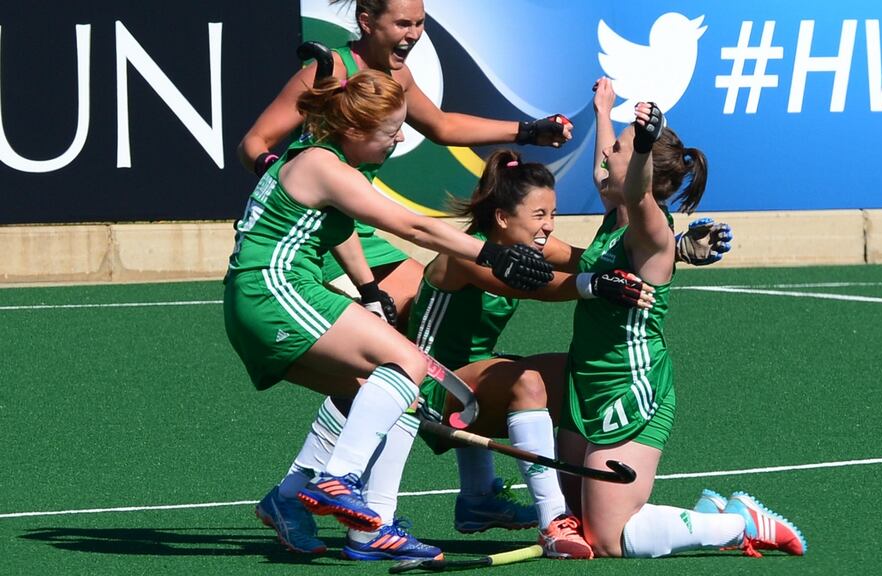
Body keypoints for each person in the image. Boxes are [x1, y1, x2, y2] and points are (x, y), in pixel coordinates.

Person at [224, 68, 554, 559]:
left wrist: (370, 291)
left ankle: (356, 522)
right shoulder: (324, 166)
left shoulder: (334, 161)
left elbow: (338, 229)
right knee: (409, 363)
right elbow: (413, 227)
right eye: (391, 130)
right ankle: (339, 478)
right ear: (353, 129)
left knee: (393, 396)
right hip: (274, 290)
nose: (400, 138)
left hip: (262, 298)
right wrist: (491, 254)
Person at [553, 77, 807, 559]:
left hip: (630, 387)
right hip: (587, 381)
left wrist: (641, 145)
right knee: (581, 520)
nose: (607, 153)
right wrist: (604, 110)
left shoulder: (649, 230)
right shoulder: (616, 213)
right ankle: (709, 511)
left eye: (619, 150)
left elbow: (637, 192)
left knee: (607, 540)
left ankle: (737, 523)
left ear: (642, 171)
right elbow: (610, 176)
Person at [238, 0, 573, 327]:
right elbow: (253, 144)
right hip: (311, 233)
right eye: (402, 24)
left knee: (423, 308)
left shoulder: (398, 77)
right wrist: (286, 178)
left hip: (356, 233)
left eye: (419, 23)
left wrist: (528, 131)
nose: (414, 34)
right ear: (367, 22)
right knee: (385, 327)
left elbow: (442, 126)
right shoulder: (331, 71)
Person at [407, 148, 654, 560]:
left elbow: (592, 261)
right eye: (539, 215)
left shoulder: (528, 243)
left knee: (578, 373)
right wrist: (595, 285)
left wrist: (672, 248)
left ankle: (488, 501)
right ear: (503, 218)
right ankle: (553, 521)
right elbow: (535, 287)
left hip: (470, 382)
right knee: (528, 382)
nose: (549, 226)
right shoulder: (466, 254)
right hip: (425, 389)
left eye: (553, 214)